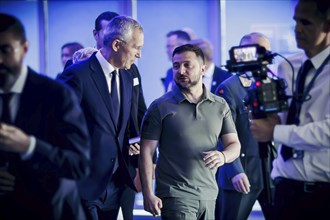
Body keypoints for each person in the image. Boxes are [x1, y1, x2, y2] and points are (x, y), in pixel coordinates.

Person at [0, 13, 90, 220]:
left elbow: (78, 165)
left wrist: (29, 146)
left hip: (49, 211)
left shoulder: (56, 95)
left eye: (5, 50)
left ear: (24, 48)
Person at [139, 44, 241, 219]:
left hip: (209, 195)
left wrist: (223, 156)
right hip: (175, 195)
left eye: (187, 65)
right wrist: (148, 193)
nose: (181, 70)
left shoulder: (220, 105)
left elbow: (234, 145)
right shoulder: (160, 107)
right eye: (176, 65)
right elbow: (146, 152)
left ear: (203, 68)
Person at [57, 15, 144, 220]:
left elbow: (125, 122)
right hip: (84, 183)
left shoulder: (127, 75)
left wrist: (132, 143)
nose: (139, 54)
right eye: (136, 47)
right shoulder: (77, 75)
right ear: (116, 44)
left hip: (117, 183)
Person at [250, 0, 330, 219]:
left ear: (327, 25)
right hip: (285, 187)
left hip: (323, 193)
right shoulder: (287, 65)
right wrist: (266, 118)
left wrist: (274, 132)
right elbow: (283, 118)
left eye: (306, 22)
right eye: (295, 21)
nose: (297, 29)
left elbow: (328, 132)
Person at [92, 11, 150, 220]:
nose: (139, 54)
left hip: (126, 162)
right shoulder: (82, 72)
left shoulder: (130, 71)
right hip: (94, 170)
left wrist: (146, 153)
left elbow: (139, 111)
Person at [215, 32, 275, 220]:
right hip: (242, 172)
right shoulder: (229, 89)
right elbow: (222, 134)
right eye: (258, 51)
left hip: (271, 171)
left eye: (266, 52)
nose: (263, 57)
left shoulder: (272, 85)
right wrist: (235, 171)